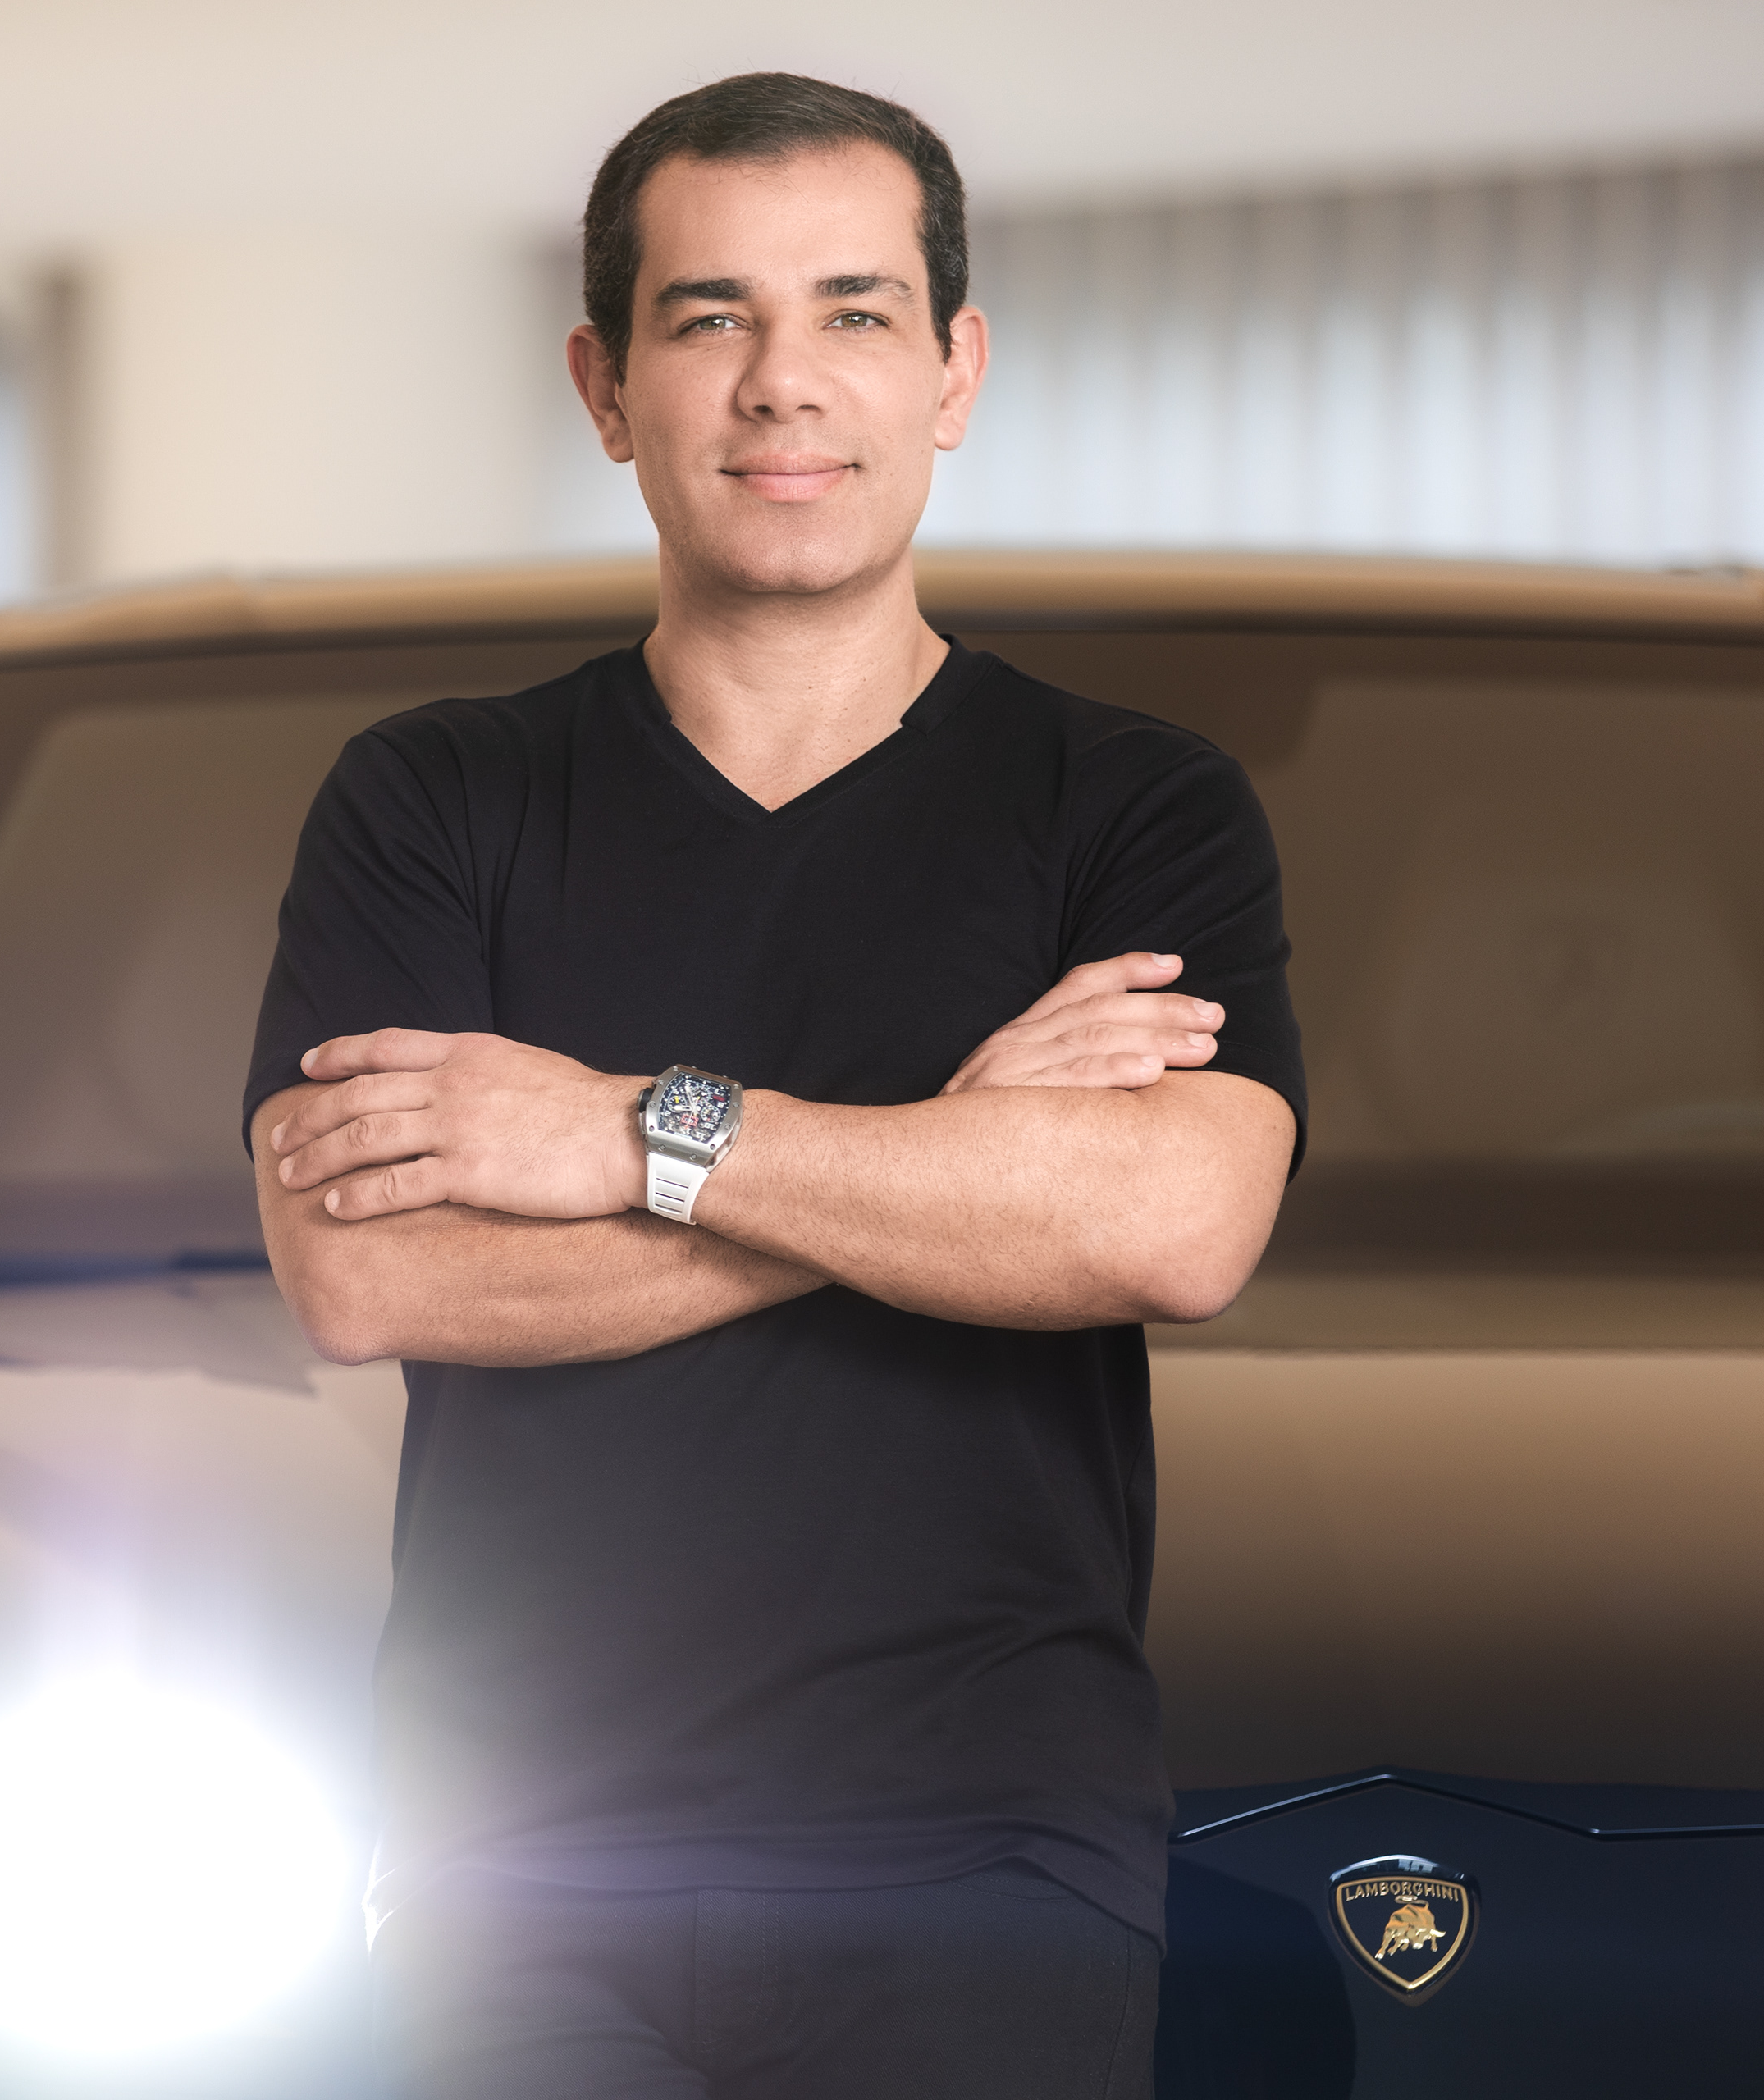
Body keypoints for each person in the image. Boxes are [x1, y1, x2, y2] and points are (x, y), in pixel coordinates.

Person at [241, 71, 1305, 2100]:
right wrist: (959, 1159)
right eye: (710, 315)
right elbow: (370, 1276)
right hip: (517, 1860)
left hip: (991, 1851)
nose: (781, 382)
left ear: (955, 370)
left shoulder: (1133, 806)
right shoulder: (436, 798)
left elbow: (1174, 1226)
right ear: (606, 385)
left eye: (855, 311)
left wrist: (625, 1129)